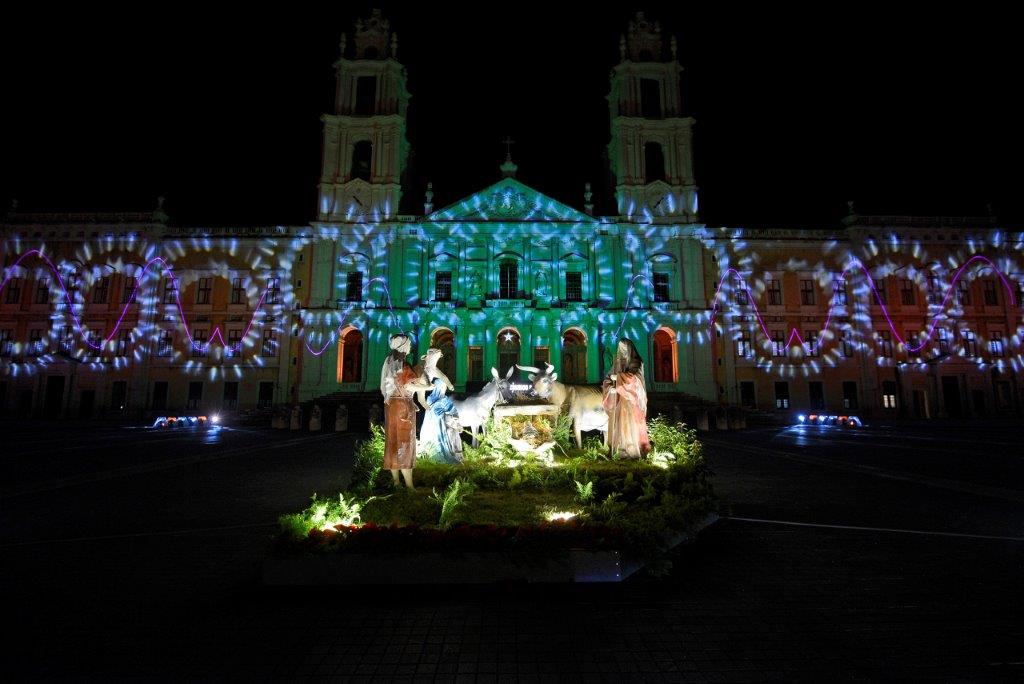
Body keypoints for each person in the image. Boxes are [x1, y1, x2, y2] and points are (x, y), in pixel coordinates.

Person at [602, 338, 650, 458]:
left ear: (630, 349)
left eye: (624, 349)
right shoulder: (617, 364)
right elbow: (608, 379)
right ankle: (620, 448)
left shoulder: (636, 362)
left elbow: (635, 380)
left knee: (630, 426)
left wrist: (617, 379)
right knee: (619, 425)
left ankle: (633, 449)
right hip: (619, 402)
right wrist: (610, 387)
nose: (622, 352)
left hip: (632, 403)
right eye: (620, 349)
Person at [381, 334, 418, 488]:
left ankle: (396, 482)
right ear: (403, 346)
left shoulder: (389, 362)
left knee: (393, 443)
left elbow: (388, 387)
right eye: (408, 344)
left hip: (391, 406)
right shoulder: (403, 364)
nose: (410, 347)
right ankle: (410, 487)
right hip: (403, 406)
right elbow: (409, 386)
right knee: (405, 444)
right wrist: (428, 387)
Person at [415, 347, 463, 463]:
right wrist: (428, 407)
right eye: (435, 358)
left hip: (440, 419)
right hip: (429, 405)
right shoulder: (423, 371)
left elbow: (444, 378)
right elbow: (420, 397)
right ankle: (434, 452)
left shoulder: (434, 370)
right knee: (434, 430)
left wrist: (450, 385)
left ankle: (445, 450)